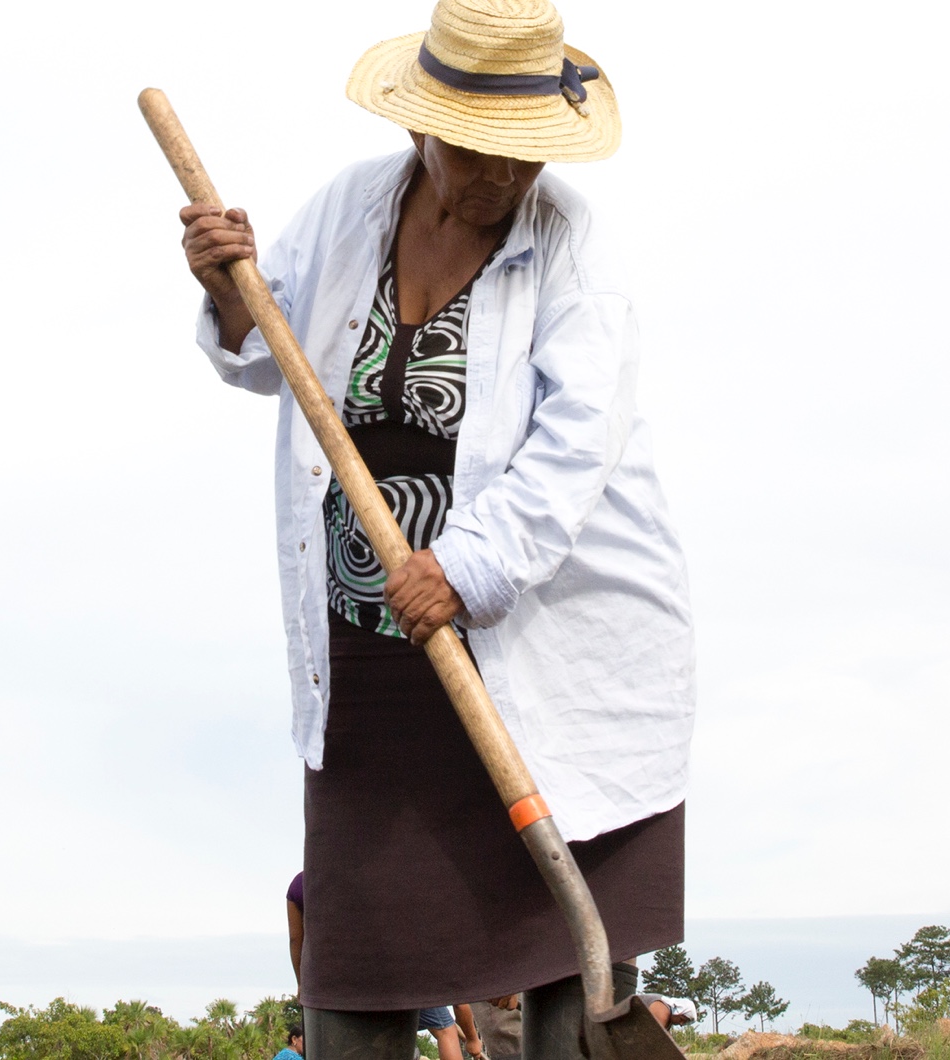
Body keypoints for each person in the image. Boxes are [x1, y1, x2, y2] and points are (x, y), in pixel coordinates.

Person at [177, 1, 693, 1059]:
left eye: (525, 152)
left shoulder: (570, 245)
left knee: (562, 966)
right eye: (482, 151)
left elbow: (576, 441)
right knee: (357, 953)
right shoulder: (351, 208)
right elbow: (269, 352)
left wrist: (464, 564)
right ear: (424, 128)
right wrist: (229, 290)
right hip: (372, 656)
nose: (508, 175)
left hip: (545, 640)